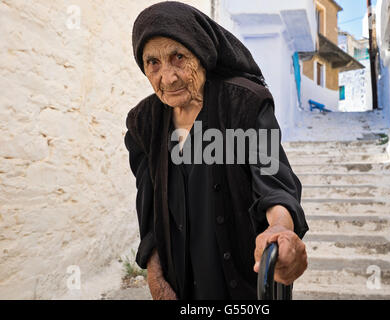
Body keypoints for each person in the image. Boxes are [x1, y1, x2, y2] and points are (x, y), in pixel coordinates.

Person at [124, 1, 309, 300]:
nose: (167, 77)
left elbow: (274, 185)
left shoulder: (244, 103)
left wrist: (280, 231)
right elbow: (148, 211)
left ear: (202, 54)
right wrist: (156, 278)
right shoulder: (143, 122)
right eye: (153, 63)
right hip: (182, 284)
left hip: (246, 282)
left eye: (178, 57)